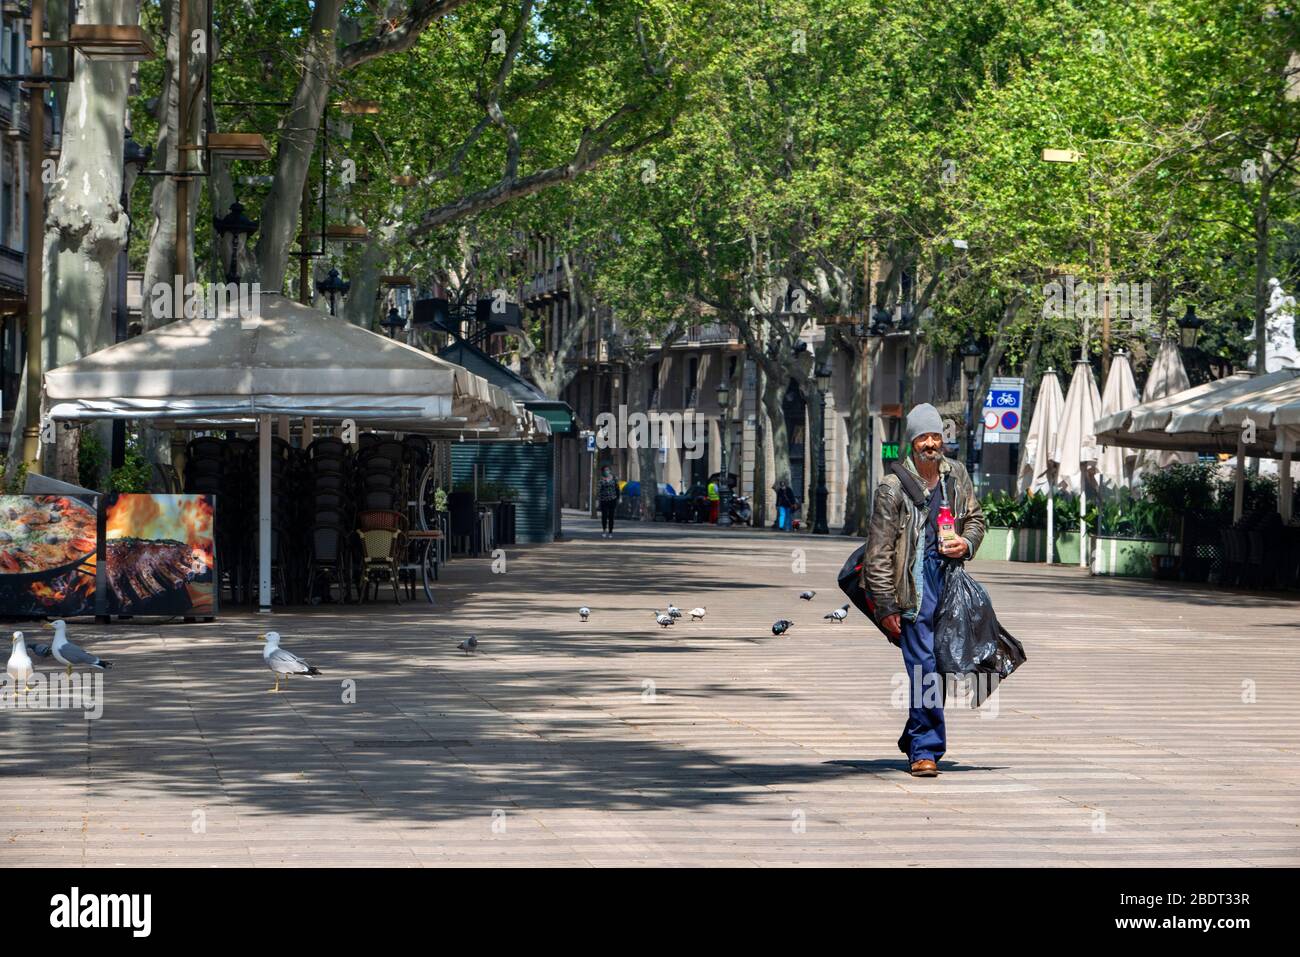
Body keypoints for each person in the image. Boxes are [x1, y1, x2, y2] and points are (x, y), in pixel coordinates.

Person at [862, 403, 985, 777]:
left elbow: (976, 520)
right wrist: (886, 607)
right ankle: (925, 751)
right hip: (912, 587)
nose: (931, 443)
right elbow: (878, 552)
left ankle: (914, 736)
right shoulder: (893, 487)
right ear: (912, 441)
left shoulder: (956, 475)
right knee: (925, 670)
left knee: (945, 667)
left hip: (949, 585)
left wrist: (966, 543)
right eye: (923, 437)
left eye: (935, 436)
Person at [596, 465, 621, 538]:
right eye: (605, 470)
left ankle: (610, 531)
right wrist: (598, 498)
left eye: (608, 470)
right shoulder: (601, 480)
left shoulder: (614, 478)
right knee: (604, 516)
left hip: (612, 499)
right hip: (604, 500)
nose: (607, 471)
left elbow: (617, 488)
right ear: (603, 471)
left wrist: (619, 498)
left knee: (611, 516)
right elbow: (599, 490)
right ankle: (604, 530)